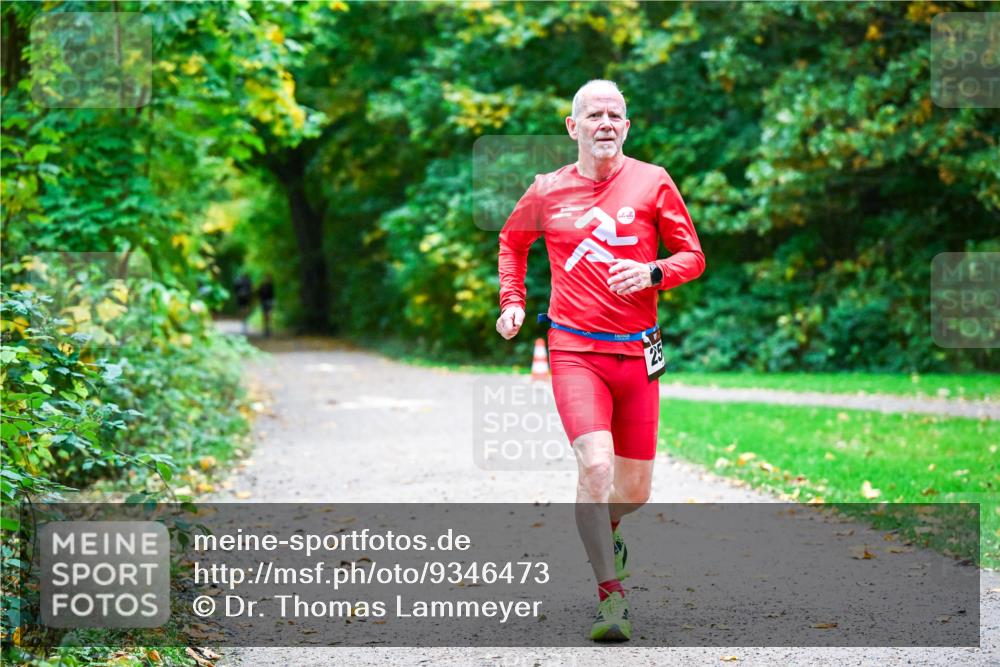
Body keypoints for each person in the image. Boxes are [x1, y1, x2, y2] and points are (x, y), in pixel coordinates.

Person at [495, 80, 705, 642]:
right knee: (595, 467)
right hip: (573, 349)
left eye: (616, 114)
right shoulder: (546, 190)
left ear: (627, 126)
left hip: (638, 352)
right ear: (574, 127)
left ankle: (608, 524)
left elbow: (693, 256)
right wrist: (512, 302)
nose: (606, 122)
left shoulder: (653, 181)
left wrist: (655, 271)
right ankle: (611, 601)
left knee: (633, 493)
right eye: (594, 115)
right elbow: (513, 243)